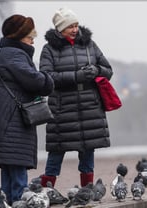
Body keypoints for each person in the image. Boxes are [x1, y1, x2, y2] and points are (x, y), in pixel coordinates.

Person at [39, 6, 113, 188]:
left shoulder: (90, 45)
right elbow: (46, 77)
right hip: (62, 106)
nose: (74, 30)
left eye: (76, 25)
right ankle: (47, 190)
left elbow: (108, 70)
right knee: (57, 150)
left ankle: (87, 190)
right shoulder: (48, 50)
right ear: (59, 29)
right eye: (70, 26)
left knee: (88, 148)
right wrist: (75, 76)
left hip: (89, 104)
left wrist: (96, 70)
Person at [0, 14, 54, 205]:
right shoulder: (14, 54)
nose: (33, 39)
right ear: (19, 36)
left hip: (6, 108)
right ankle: (19, 202)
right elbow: (34, 79)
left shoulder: (8, 53)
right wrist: (48, 78)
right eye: (29, 36)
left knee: (10, 158)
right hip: (12, 111)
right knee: (16, 157)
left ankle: (7, 201)